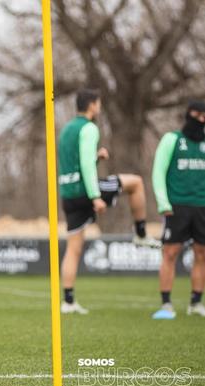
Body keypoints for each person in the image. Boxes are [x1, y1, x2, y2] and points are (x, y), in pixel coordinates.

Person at [58, 89, 160, 314]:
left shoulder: (66, 130)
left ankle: (68, 301)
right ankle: (141, 233)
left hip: (68, 193)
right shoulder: (89, 127)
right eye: (98, 103)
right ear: (92, 105)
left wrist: (96, 158)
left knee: (73, 249)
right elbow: (84, 165)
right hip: (85, 190)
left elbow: (75, 162)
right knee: (135, 183)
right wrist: (95, 196)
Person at [151, 100, 205, 320]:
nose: (201, 120)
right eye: (198, 115)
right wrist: (163, 203)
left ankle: (196, 302)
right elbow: (158, 172)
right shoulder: (172, 139)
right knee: (170, 253)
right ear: (190, 115)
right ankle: (166, 304)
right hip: (176, 207)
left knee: (201, 254)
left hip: (202, 207)